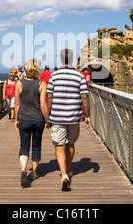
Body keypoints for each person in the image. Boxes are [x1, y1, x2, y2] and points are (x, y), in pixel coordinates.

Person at [46, 49, 90, 191]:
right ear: (72, 60)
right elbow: (84, 96)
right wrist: (87, 115)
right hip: (74, 116)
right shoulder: (79, 76)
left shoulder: (54, 75)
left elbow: (49, 97)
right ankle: (69, 169)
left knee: (59, 145)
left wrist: (48, 115)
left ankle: (64, 174)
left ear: (60, 59)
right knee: (70, 144)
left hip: (57, 116)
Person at [14, 59, 50, 187]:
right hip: (38, 120)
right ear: (37, 70)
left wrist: (16, 119)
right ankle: (34, 173)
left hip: (24, 118)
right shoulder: (42, 83)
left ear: (26, 69)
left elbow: (17, 103)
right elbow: (43, 105)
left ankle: (23, 169)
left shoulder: (19, 83)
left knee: (24, 145)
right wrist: (47, 119)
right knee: (36, 145)